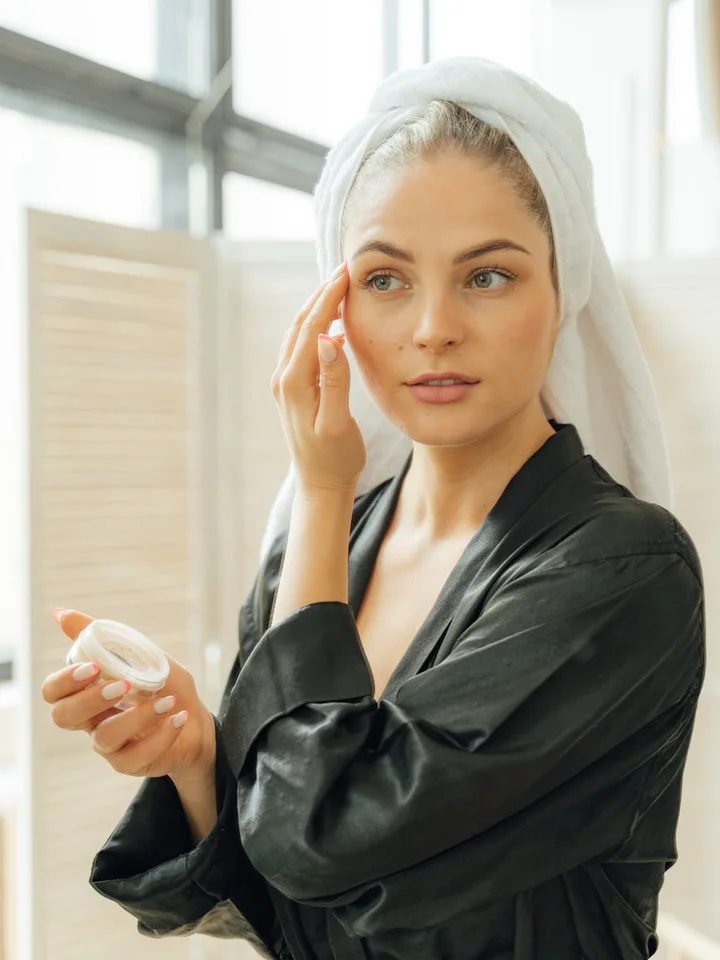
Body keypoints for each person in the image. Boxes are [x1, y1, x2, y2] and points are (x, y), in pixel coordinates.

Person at [41, 57, 705, 960]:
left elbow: (318, 841)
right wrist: (197, 760)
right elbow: (285, 906)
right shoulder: (322, 551)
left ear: (563, 292)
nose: (434, 326)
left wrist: (319, 487)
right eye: (386, 280)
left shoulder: (620, 570)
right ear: (338, 307)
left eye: (488, 276)